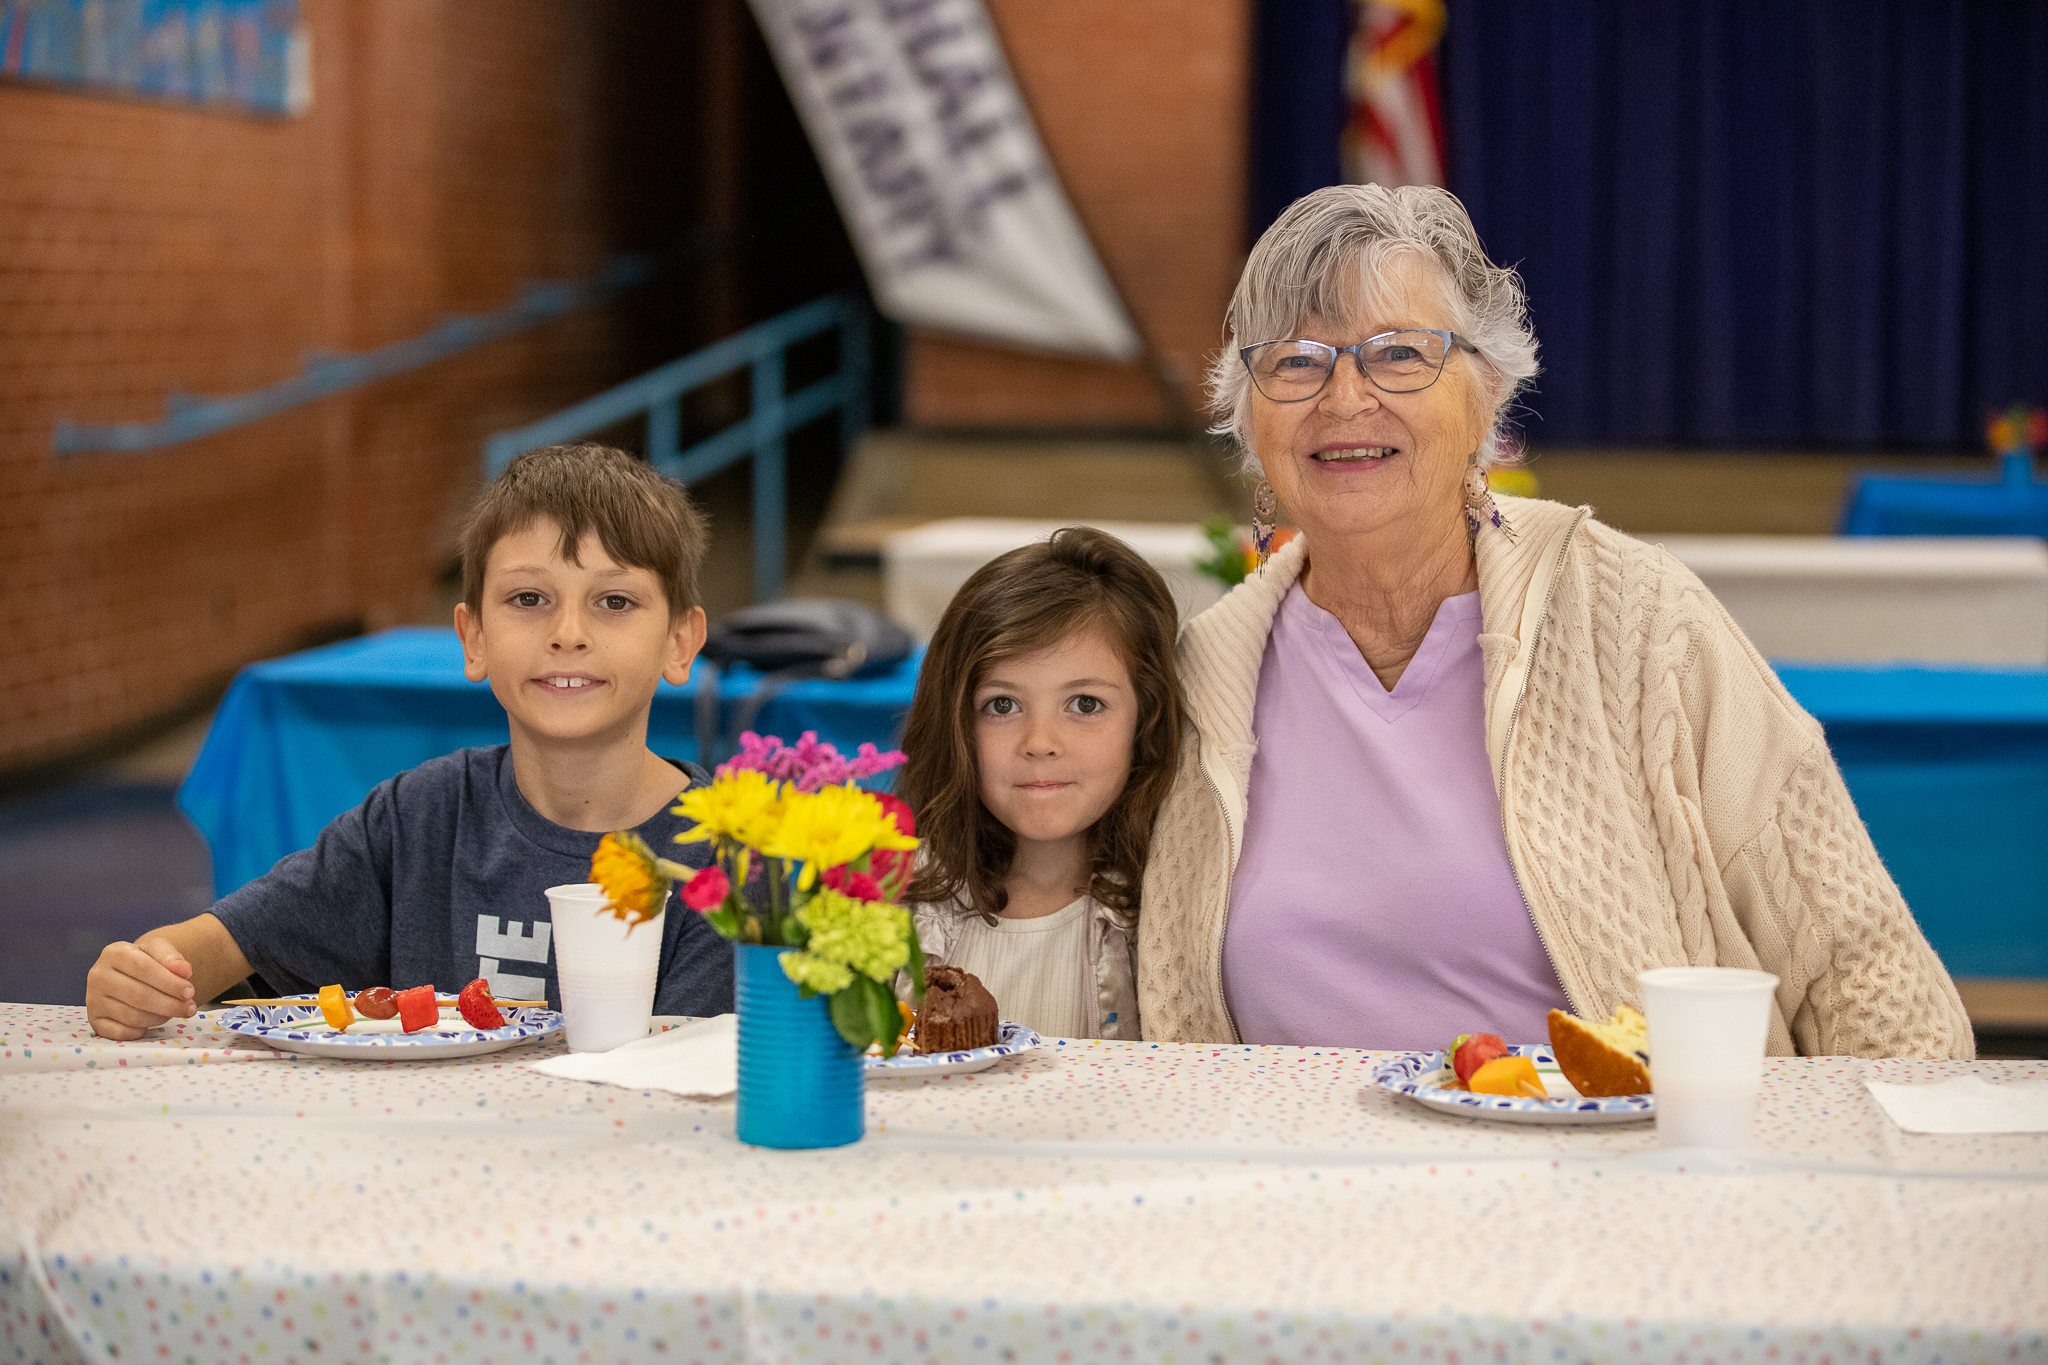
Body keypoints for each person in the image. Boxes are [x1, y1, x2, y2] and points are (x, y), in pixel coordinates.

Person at [1139, 184, 1974, 1059]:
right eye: (1298, 360)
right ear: (1247, 411)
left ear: (1486, 393)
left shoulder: (1641, 619)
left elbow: (1869, 973)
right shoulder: (1203, 678)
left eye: (1398, 353)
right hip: (1287, 1187)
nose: (1345, 395)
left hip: (1617, 1181)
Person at [84, 442, 734, 1039]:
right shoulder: (416, 819)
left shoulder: (730, 860)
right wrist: (144, 972)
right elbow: (212, 947)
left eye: (614, 601)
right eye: (529, 597)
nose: (568, 632)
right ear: (473, 636)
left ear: (681, 641)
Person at [894, 527, 1185, 1040]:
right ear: (956, 723)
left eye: (1085, 704)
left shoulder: (1175, 916)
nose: (1041, 741)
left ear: (1146, 721)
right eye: (1002, 705)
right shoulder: (898, 905)